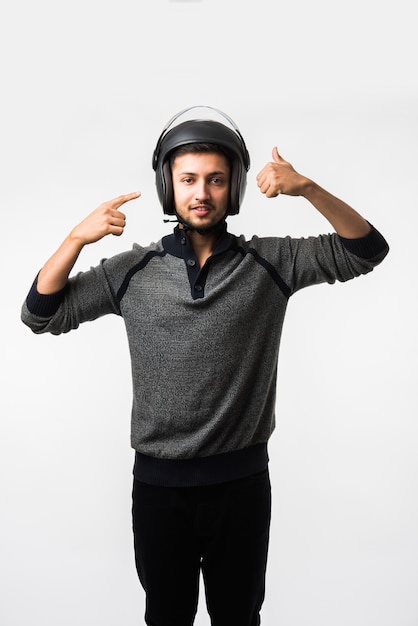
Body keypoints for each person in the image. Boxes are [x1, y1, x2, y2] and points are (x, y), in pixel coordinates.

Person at [21, 106, 389, 626]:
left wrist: (306, 188)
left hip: (240, 483)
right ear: (168, 186)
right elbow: (40, 314)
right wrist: (75, 239)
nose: (202, 193)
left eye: (216, 180)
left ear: (234, 187)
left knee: (238, 617)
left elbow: (367, 251)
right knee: (166, 617)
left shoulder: (272, 262)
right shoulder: (132, 271)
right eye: (188, 179)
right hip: (157, 488)